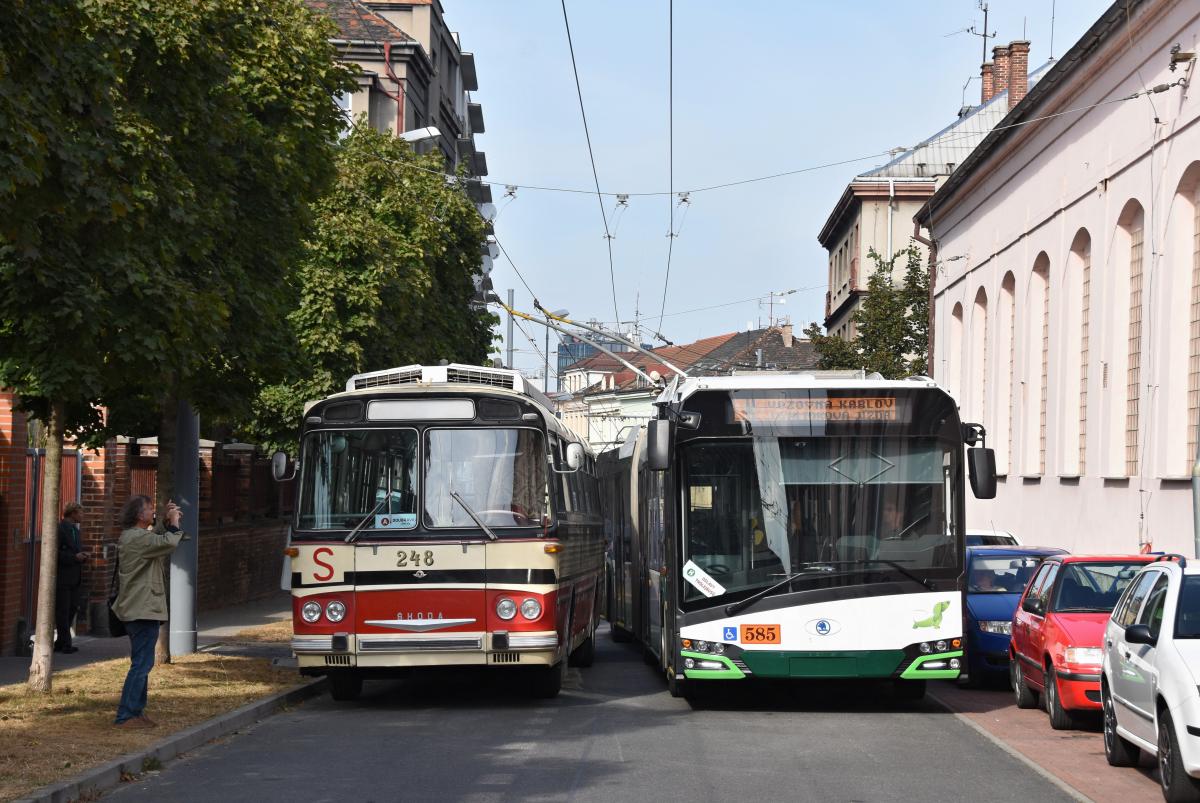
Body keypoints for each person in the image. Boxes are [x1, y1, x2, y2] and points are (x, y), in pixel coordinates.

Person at [112, 495, 186, 729]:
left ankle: (136, 711)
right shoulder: (136, 538)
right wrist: (173, 522)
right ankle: (126, 715)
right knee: (141, 664)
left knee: (143, 662)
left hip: (142, 608)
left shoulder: (136, 537)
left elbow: (159, 540)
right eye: (148, 508)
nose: (152, 511)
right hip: (141, 609)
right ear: (138, 515)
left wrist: (166, 523)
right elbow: (168, 543)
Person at [55, 502, 89, 653]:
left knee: (72, 608)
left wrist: (82, 556)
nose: (82, 516)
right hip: (64, 577)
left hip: (75, 577)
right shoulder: (61, 529)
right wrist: (74, 557)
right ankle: (65, 643)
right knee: (63, 610)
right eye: (80, 513)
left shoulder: (75, 530)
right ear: (73, 513)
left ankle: (61, 641)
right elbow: (56, 554)